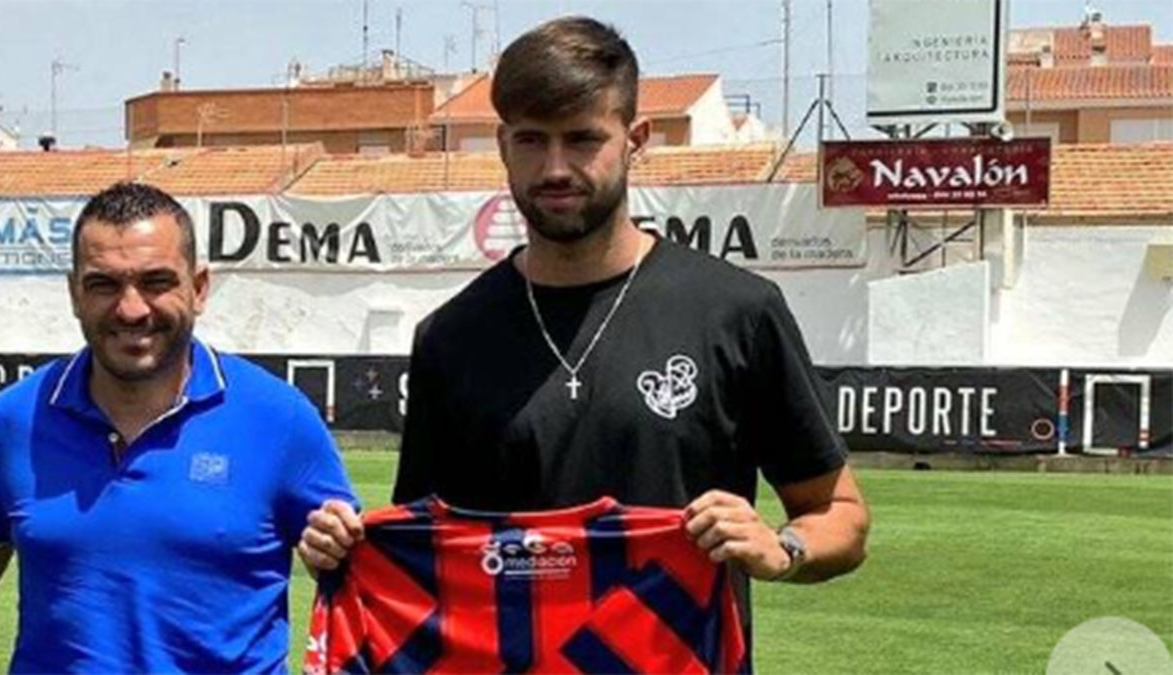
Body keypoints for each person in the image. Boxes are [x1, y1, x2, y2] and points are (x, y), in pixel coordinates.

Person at [299, 14, 868, 651]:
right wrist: (342, 548)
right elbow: (423, 552)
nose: (555, 167)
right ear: (503, 143)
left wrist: (780, 547)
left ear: (636, 139)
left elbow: (839, 515)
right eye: (532, 141)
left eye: (582, 139)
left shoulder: (736, 311)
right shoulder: (451, 336)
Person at [0, 182, 355, 673]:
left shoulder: (279, 419)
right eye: (104, 284)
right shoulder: (15, 420)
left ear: (198, 288)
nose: (131, 309)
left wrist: (332, 551)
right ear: (73, 293)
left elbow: (358, 584)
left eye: (156, 282)